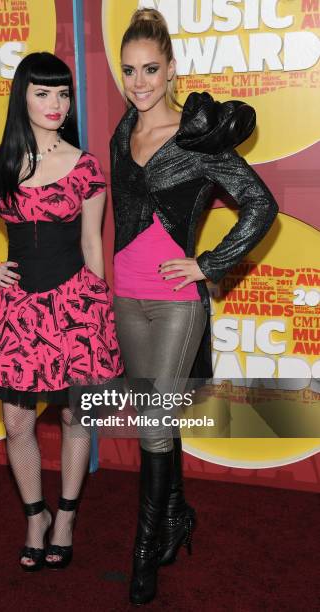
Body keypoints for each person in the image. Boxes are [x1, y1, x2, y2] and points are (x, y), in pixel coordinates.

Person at [110, 8, 278, 605]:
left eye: (150, 69)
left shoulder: (198, 136)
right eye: (129, 70)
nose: (138, 81)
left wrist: (207, 264)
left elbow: (261, 204)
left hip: (178, 303)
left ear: (172, 69)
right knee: (155, 418)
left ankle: (145, 552)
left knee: (154, 422)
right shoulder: (120, 131)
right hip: (126, 297)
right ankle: (176, 516)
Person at [0, 52, 123, 573]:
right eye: (43, 92)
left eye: (63, 93)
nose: (56, 104)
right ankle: (35, 516)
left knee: (73, 414)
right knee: (17, 422)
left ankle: (65, 517)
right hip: (18, 310)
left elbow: (93, 244)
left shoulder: (85, 165)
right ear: (22, 96)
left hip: (75, 304)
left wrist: (98, 315)